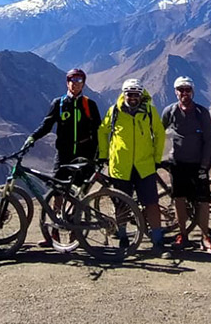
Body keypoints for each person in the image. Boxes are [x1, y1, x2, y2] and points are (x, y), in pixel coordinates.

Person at [23, 68, 101, 247]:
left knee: (79, 194)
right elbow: (47, 124)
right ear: (67, 83)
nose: (76, 83)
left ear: (84, 83)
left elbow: (99, 131)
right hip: (63, 155)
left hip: (84, 155)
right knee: (57, 192)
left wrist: (99, 155)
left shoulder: (90, 104)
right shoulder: (59, 103)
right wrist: (33, 137)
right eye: (72, 80)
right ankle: (53, 233)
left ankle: (76, 234)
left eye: (79, 80)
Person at [98, 78, 169, 256]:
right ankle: (123, 239)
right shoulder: (114, 111)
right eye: (129, 94)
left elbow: (160, 134)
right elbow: (103, 131)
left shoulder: (150, 111)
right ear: (124, 94)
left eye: (136, 94)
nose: (133, 98)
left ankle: (158, 241)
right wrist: (104, 155)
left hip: (144, 166)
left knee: (152, 203)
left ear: (141, 95)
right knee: (121, 204)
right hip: (120, 166)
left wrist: (156, 157)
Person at [160, 76, 211, 253]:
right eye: (181, 90)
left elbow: (210, 139)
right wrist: (159, 157)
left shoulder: (202, 112)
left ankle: (205, 236)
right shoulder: (169, 111)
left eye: (187, 90)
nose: (184, 93)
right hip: (177, 163)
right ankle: (182, 235)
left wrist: (205, 165)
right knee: (179, 199)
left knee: (203, 201)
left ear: (192, 91)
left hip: (197, 164)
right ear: (176, 92)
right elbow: (159, 133)